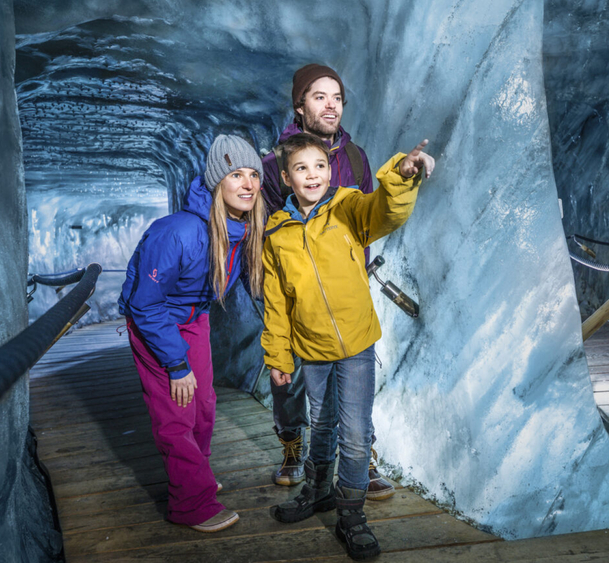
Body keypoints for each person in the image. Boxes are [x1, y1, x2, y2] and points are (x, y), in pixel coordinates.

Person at [262, 133, 434, 560]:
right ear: (286, 177)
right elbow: (277, 302)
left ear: (330, 169)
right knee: (319, 424)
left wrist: (400, 176)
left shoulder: (348, 206)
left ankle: (352, 513)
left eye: (319, 165)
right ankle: (318, 492)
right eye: (301, 168)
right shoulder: (277, 233)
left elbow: (385, 212)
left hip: (355, 344)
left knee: (355, 434)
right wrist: (279, 357)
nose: (312, 175)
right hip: (312, 349)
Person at [118, 134, 266, 532]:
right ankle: (190, 504)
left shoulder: (241, 229)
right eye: (236, 174)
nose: (248, 184)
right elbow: (145, 303)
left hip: (194, 317)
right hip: (155, 320)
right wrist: (176, 363)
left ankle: (194, 476)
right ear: (218, 181)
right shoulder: (180, 231)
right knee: (176, 412)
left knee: (203, 404)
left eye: (254, 174)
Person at [261, 63, 394, 501]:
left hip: (343, 290)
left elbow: (367, 220)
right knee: (293, 381)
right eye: (319, 96)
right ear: (300, 106)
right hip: (294, 291)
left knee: (353, 383)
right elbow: (264, 231)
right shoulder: (272, 165)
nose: (330, 104)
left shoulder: (355, 159)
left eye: (336, 96)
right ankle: (294, 446)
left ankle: (360, 458)